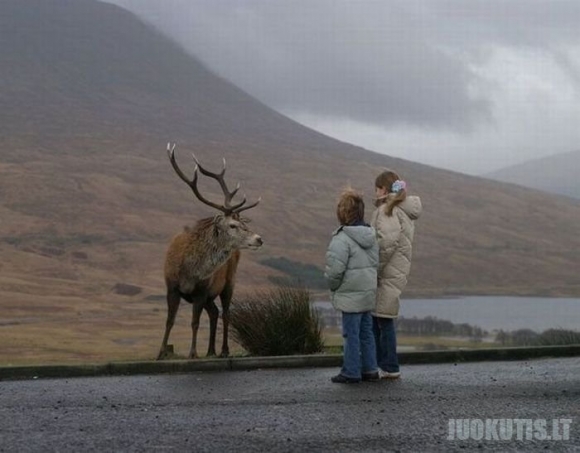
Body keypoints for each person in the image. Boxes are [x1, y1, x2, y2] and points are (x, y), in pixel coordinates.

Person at [324, 188, 380, 384]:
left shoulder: (341, 239)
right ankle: (370, 369)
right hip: (367, 294)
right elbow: (375, 265)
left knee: (350, 334)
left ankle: (351, 371)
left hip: (349, 296)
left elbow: (334, 271)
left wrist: (333, 286)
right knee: (366, 333)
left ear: (342, 213)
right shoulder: (371, 236)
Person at [371, 170, 422, 380]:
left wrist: (374, 268)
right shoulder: (403, 210)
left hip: (386, 272)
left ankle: (388, 366)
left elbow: (386, 243)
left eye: (376, 188)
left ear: (383, 189)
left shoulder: (387, 209)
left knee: (382, 319)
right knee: (382, 317)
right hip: (397, 271)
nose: (374, 192)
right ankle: (382, 365)